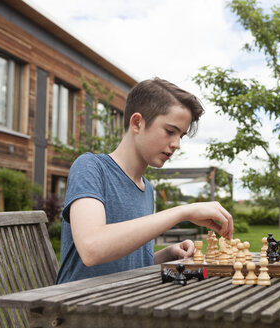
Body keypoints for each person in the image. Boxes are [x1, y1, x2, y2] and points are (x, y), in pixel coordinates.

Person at [56, 78, 233, 284]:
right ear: (137, 123)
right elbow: (92, 248)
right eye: (170, 131)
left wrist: (167, 254)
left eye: (181, 136)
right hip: (78, 307)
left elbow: (124, 265)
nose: (176, 144)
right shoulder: (90, 167)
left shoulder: (146, 189)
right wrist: (183, 212)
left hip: (125, 301)